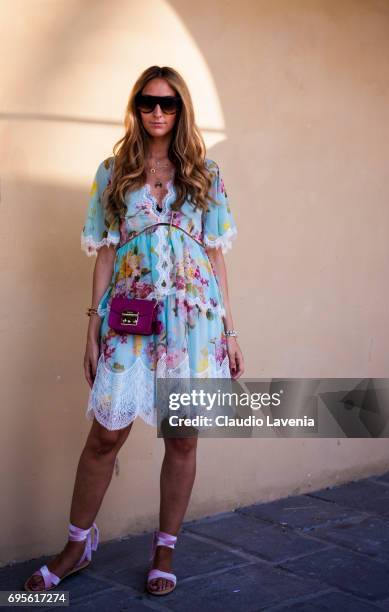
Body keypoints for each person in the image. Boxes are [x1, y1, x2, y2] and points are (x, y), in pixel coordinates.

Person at [24, 65, 244, 596]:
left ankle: (165, 548)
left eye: (168, 104)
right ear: (137, 106)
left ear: (181, 109)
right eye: (148, 102)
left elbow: (215, 255)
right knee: (105, 434)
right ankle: (78, 544)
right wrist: (91, 327)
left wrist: (231, 334)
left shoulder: (205, 174)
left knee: (183, 439)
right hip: (131, 319)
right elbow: (104, 253)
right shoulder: (113, 171)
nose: (158, 112)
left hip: (194, 324)